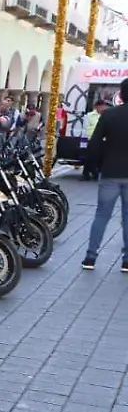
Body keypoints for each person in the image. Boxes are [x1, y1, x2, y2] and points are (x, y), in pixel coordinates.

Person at [82, 78, 128, 272]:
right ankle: (126, 261)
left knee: (102, 215)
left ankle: (90, 257)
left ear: (122, 94)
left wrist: (98, 164)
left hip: (110, 171)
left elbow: (94, 143)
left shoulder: (109, 114)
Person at [83, 99, 110, 181]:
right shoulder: (90, 115)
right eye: (101, 106)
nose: (102, 108)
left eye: (103, 106)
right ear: (96, 107)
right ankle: (86, 174)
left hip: (104, 139)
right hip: (93, 139)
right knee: (90, 157)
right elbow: (86, 127)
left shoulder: (106, 115)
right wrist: (90, 137)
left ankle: (98, 173)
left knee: (102, 158)